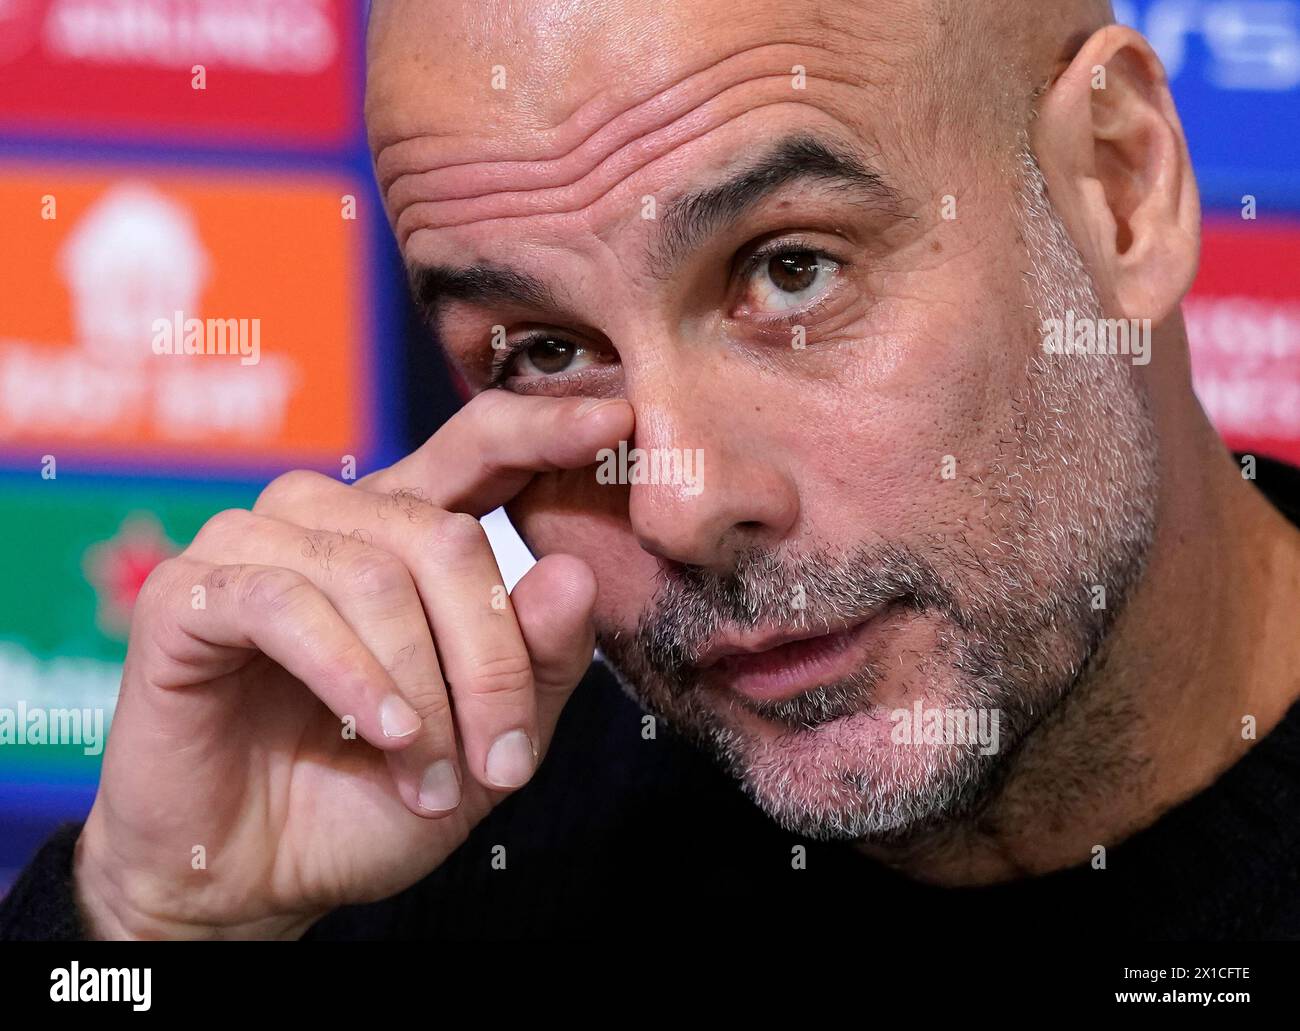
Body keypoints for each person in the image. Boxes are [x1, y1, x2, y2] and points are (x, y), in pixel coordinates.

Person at [4, 0, 1299, 941]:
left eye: (791, 269)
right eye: (547, 352)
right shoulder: (409, 860)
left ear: (1119, 191)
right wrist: (152, 923)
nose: (678, 502)